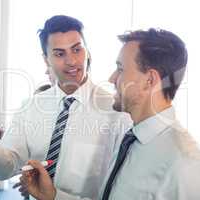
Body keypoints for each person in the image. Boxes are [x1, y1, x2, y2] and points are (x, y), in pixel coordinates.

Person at [0, 15, 132, 200]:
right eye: (59, 54)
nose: (72, 61)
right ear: (46, 59)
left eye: (77, 49)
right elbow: (4, 169)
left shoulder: (116, 112)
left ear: (87, 51)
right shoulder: (30, 107)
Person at [20, 28, 200, 200]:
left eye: (120, 69)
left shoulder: (185, 163)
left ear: (149, 80)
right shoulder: (130, 140)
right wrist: (53, 196)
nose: (112, 78)